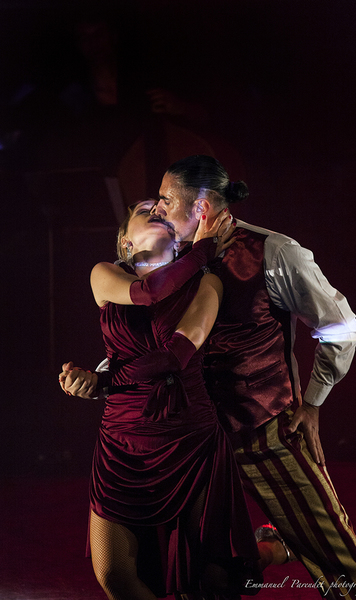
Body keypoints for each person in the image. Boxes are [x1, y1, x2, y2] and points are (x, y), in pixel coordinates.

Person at [64, 155, 356, 600]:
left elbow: (341, 326)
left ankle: (287, 551)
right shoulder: (165, 258)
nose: (158, 208)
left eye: (165, 199)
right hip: (186, 440)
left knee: (330, 548)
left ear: (199, 207)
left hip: (259, 428)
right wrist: (99, 379)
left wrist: (314, 401)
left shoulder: (273, 251)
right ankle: (269, 550)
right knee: (201, 575)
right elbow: (143, 341)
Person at [60, 198, 293, 600]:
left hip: (190, 438)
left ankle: (268, 550)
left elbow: (175, 356)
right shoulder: (104, 274)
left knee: (212, 580)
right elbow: (147, 293)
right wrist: (203, 250)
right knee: (114, 575)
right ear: (126, 241)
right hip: (121, 445)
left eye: (160, 207)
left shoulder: (208, 283)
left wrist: (99, 382)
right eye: (142, 209)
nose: (155, 208)